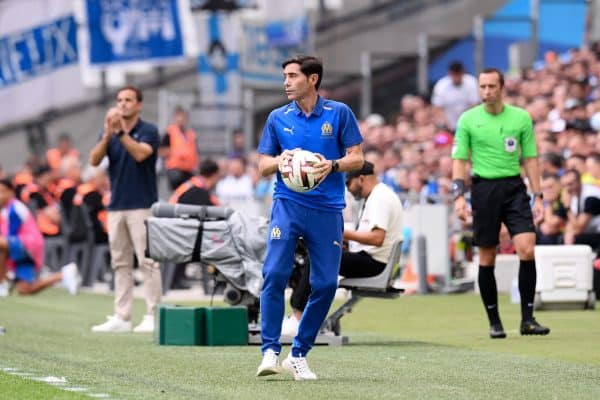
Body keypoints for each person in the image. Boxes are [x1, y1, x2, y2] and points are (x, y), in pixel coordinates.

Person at [255, 55, 364, 380]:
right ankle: (270, 352)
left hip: (327, 209)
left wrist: (330, 165)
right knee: (274, 274)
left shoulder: (339, 113)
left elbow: (357, 158)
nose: (286, 82)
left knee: (326, 284)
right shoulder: (277, 118)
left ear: (312, 79)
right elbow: (262, 166)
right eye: (285, 76)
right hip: (288, 205)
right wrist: (283, 160)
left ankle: (299, 354)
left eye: (292, 76)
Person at [452, 67, 550, 339]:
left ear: (501, 87)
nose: (486, 92)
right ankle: (495, 321)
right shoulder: (468, 119)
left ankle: (527, 319)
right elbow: (459, 160)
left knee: (527, 249)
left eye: (491, 87)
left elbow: (530, 158)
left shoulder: (520, 118)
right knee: (487, 256)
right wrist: (458, 196)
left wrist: (538, 195)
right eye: (482, 87)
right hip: (484, 188)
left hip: (514, 187)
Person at [282, 161, 403, 337]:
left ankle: (299, 318)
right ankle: (306, 316)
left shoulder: (380, 199)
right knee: (316, 254)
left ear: (361, 179)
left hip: (374, 263)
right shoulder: (380, 195)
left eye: (348, 183)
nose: (348, 189)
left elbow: (377, 238)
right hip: (373, 259)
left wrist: (340, 234)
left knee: (316, 258)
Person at [89, 86, 162, 333]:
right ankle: (122, 315)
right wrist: (108, 134)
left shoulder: (149, 130)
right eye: (120, 100)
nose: (123, 104)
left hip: (142, 205)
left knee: (148, 261)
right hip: (116, 206)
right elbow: (94, 160)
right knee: (120, 262)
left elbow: (141, 155)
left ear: (139, 104)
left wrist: (120, 134)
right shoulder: (111, 133)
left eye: (128, 100)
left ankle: (153, 314)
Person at [0, 179, 79, 297]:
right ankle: (63, 274)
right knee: (24, 289)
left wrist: (6, 271)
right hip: (21, 248)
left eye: (2, 191)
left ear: (11, 193)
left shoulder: (14, 208)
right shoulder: (4, 210)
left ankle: (3, 283)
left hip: (29, 244)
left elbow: (9, 240)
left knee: (2, 243)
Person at [168, 159, 220, 290]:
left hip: (172, 231)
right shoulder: (197, 191)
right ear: (214, 175)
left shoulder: (191, 186)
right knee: (217, 240)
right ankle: (219, 281)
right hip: (177, 234)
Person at [159, 107, 199, 191]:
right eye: (178, 116)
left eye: (183, 117)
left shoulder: (191, 134)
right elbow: (161, 150)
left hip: (189, 170)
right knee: (179, 190)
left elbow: (195, 152)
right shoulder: (170, 132)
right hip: (175, 169)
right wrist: (175, 153)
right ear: (174, 118)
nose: (181, 119)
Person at [431, 61, 479, 131]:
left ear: (463, 73)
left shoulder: (472, 82)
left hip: (468, 123)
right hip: (448, 124)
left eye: (458, 75)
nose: (456, 78)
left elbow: (475, 105)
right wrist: (446, 123)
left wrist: (465, 122)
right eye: (454, 75)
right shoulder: (441, 86)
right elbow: (437, 108)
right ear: (449, 74)